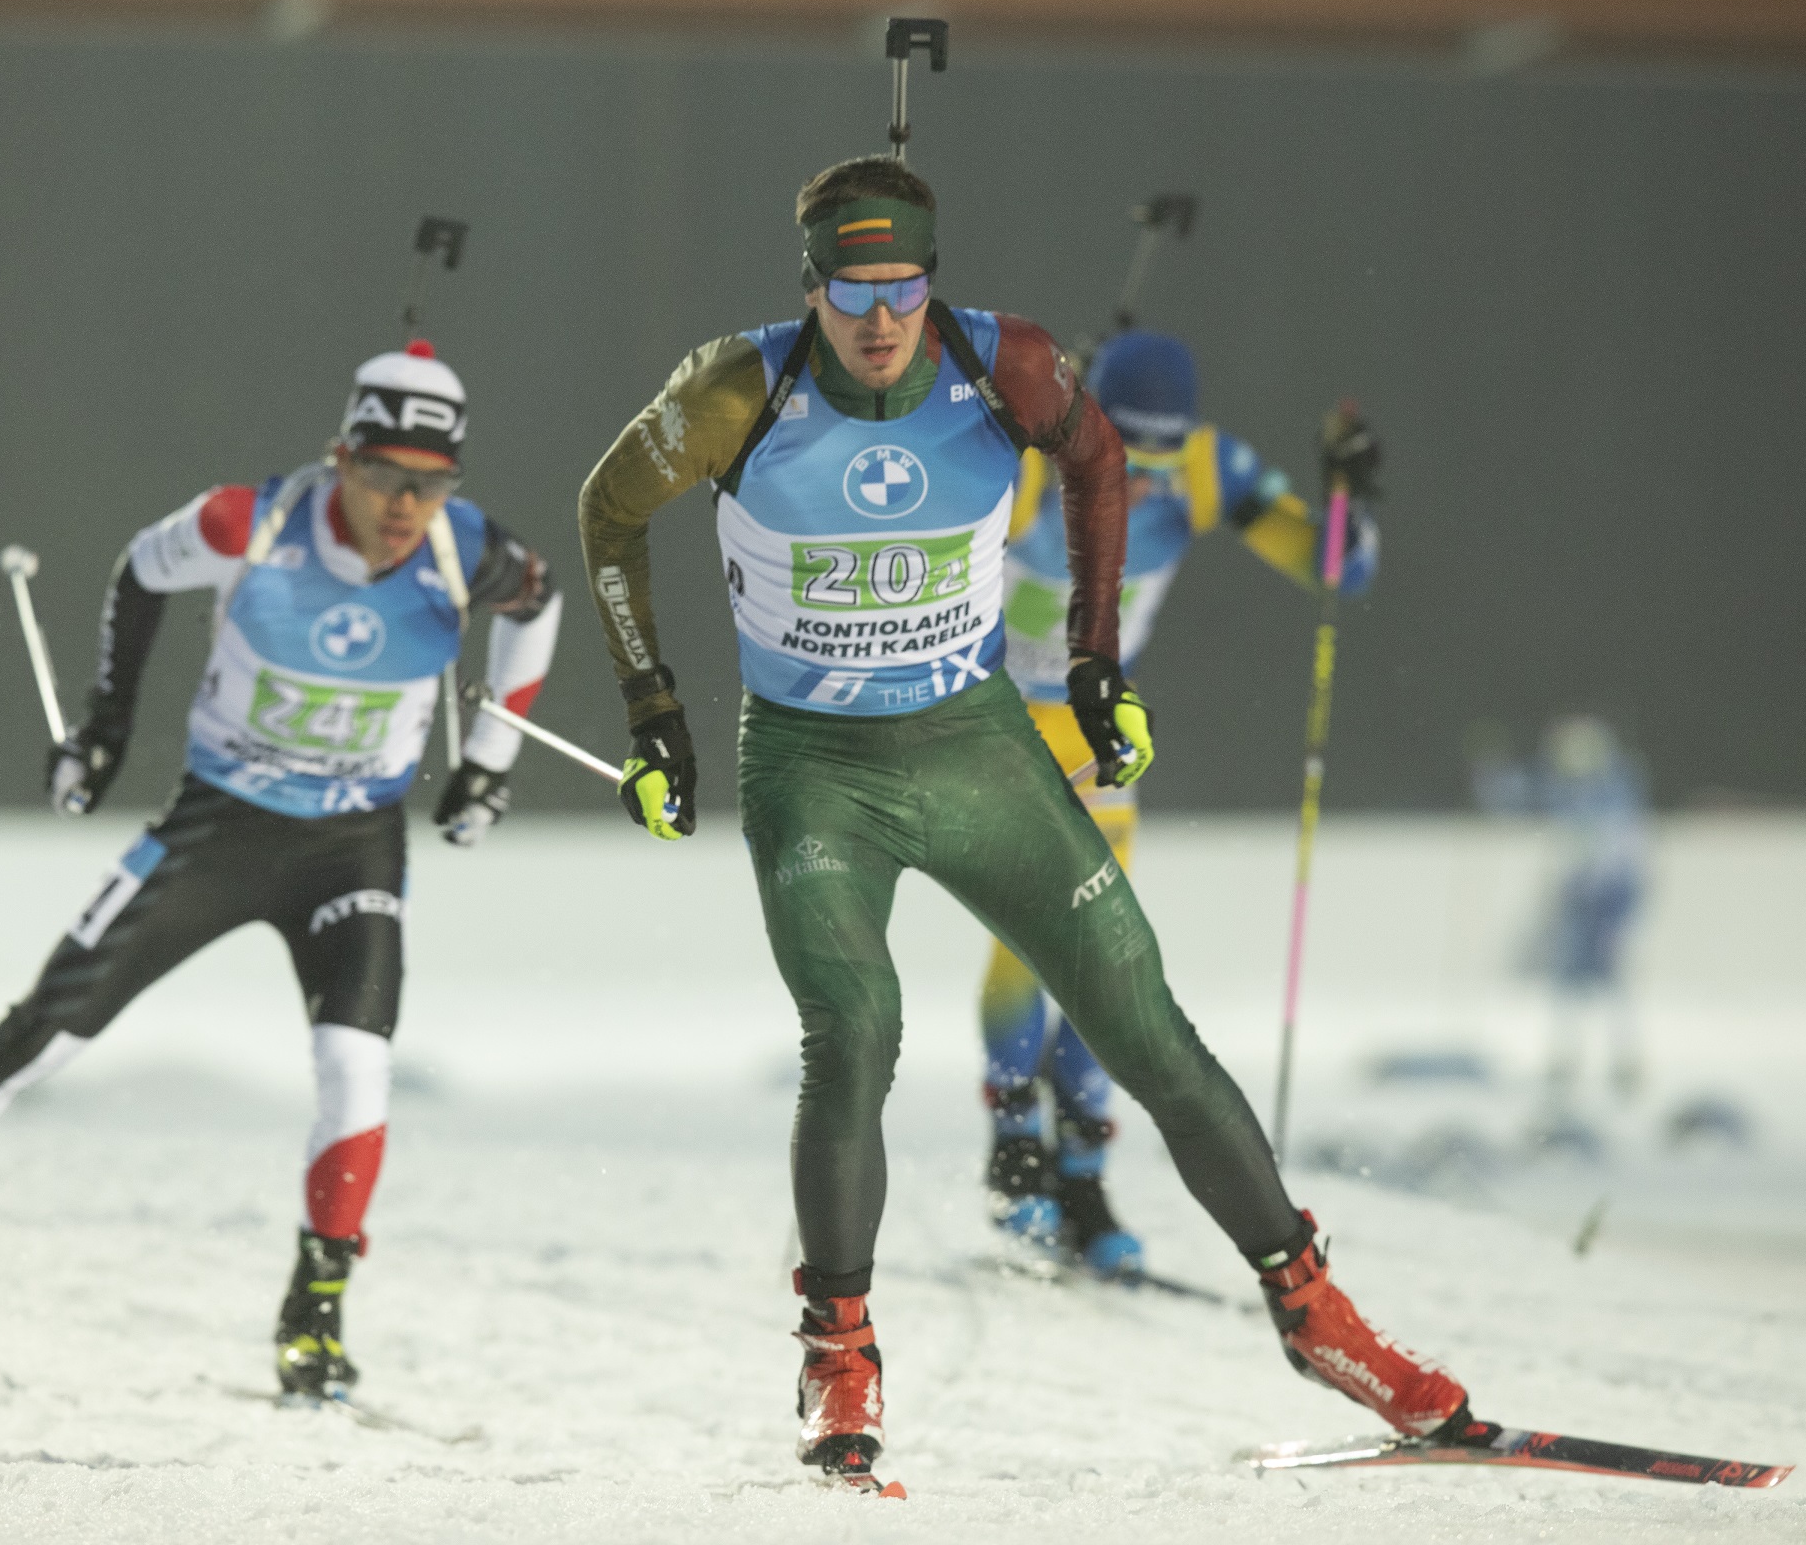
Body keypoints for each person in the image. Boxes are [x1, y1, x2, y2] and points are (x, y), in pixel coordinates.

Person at [576, 156, 1467, 1484]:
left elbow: (1103, 462)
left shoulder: (1013, 368)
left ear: (935, 280)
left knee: (1143, 1018)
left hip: (980, 745)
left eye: (904, 287)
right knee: (857, 1031)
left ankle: (1315, 1312)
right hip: (816, 766)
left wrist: (1101, 667)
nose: (881, 320)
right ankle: (839, 1346)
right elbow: (607, 509)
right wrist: (654, 714)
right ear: (809, 287)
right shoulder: (735, 390)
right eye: (851, 290)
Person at [0, 341, 561, 1402]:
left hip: (352, 845)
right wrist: (104, 729)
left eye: (428, 482)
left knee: (357, 1067)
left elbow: (538, 607)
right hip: (218, 831)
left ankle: (315, 1312)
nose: (404, 506)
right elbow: (141, 567)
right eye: (382, 477)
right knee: (43, 1034)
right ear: (339, 459)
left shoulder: (469, 550)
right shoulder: (250, 522)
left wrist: (487, 765)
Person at [981, 327, 1380, 1277]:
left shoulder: (1206, 469)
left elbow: (1337, 570)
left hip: (1096, 733)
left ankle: (1081, 1171)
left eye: (1160, 454)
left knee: (1095, 944)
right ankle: (1014, 1153)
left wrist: (1346, 502)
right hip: (995, 722)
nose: (1141, 474)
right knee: (1022, 939)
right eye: (1127, 445)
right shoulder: (1045, 461)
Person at [1471, 714, 1650, 1110]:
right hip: (1581, 894)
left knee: (1608, 977)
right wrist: (1492, 775)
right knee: (1570, 979)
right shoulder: (1580, 789)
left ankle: (1620, 1058)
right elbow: (1520, 799)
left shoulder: (1613, 790)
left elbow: (1615, 851)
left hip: (1606, 895)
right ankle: (1568, 1057)